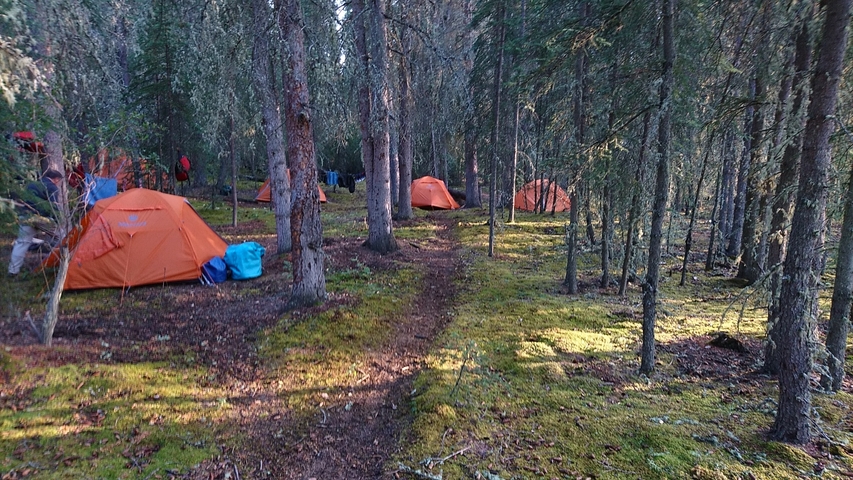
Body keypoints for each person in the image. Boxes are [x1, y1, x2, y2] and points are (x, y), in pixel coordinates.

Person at [7, 169, 63, 276]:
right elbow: (53, 206)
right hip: (41, 218)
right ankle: (58, 264)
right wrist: (57, 220)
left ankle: (13, 271)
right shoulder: (52, 187)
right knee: (61, 236)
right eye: (59, 181)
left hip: (26, 216)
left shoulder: (32, 184)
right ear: (56, 179)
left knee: (22, 243)